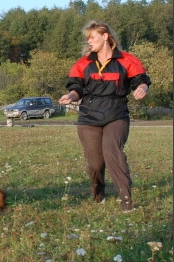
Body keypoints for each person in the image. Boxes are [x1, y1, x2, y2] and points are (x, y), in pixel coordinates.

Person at [58, 20, 151, 212]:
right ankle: (98, 191)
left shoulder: (127, 60)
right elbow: (76, 88)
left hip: (116, 114)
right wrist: (70, 96)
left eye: (92, 38)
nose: (89, 42)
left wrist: (142, 88)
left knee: (112, 152)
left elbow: (141, 81)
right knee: (96, 163)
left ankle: (126, 199)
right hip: (88, 117)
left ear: (105, 36)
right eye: (88, 39)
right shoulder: (83, 63)